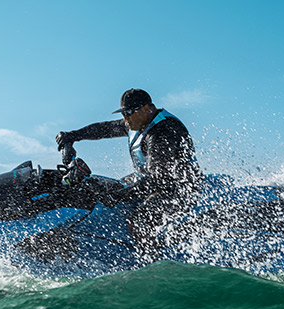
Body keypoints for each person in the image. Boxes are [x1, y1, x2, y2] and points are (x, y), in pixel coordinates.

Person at [56, 88, 202, 261]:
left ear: (147, 108)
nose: (125, 118)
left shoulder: (163, 132)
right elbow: (105, 129)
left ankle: (155, 262)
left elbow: (159, 181)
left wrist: (117, 197)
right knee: (111, 186)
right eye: (123, 113)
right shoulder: (138, 122)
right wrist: (72, 136)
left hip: (180, 188)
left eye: (130, 113)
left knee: (140, 221)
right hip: (149, 179)